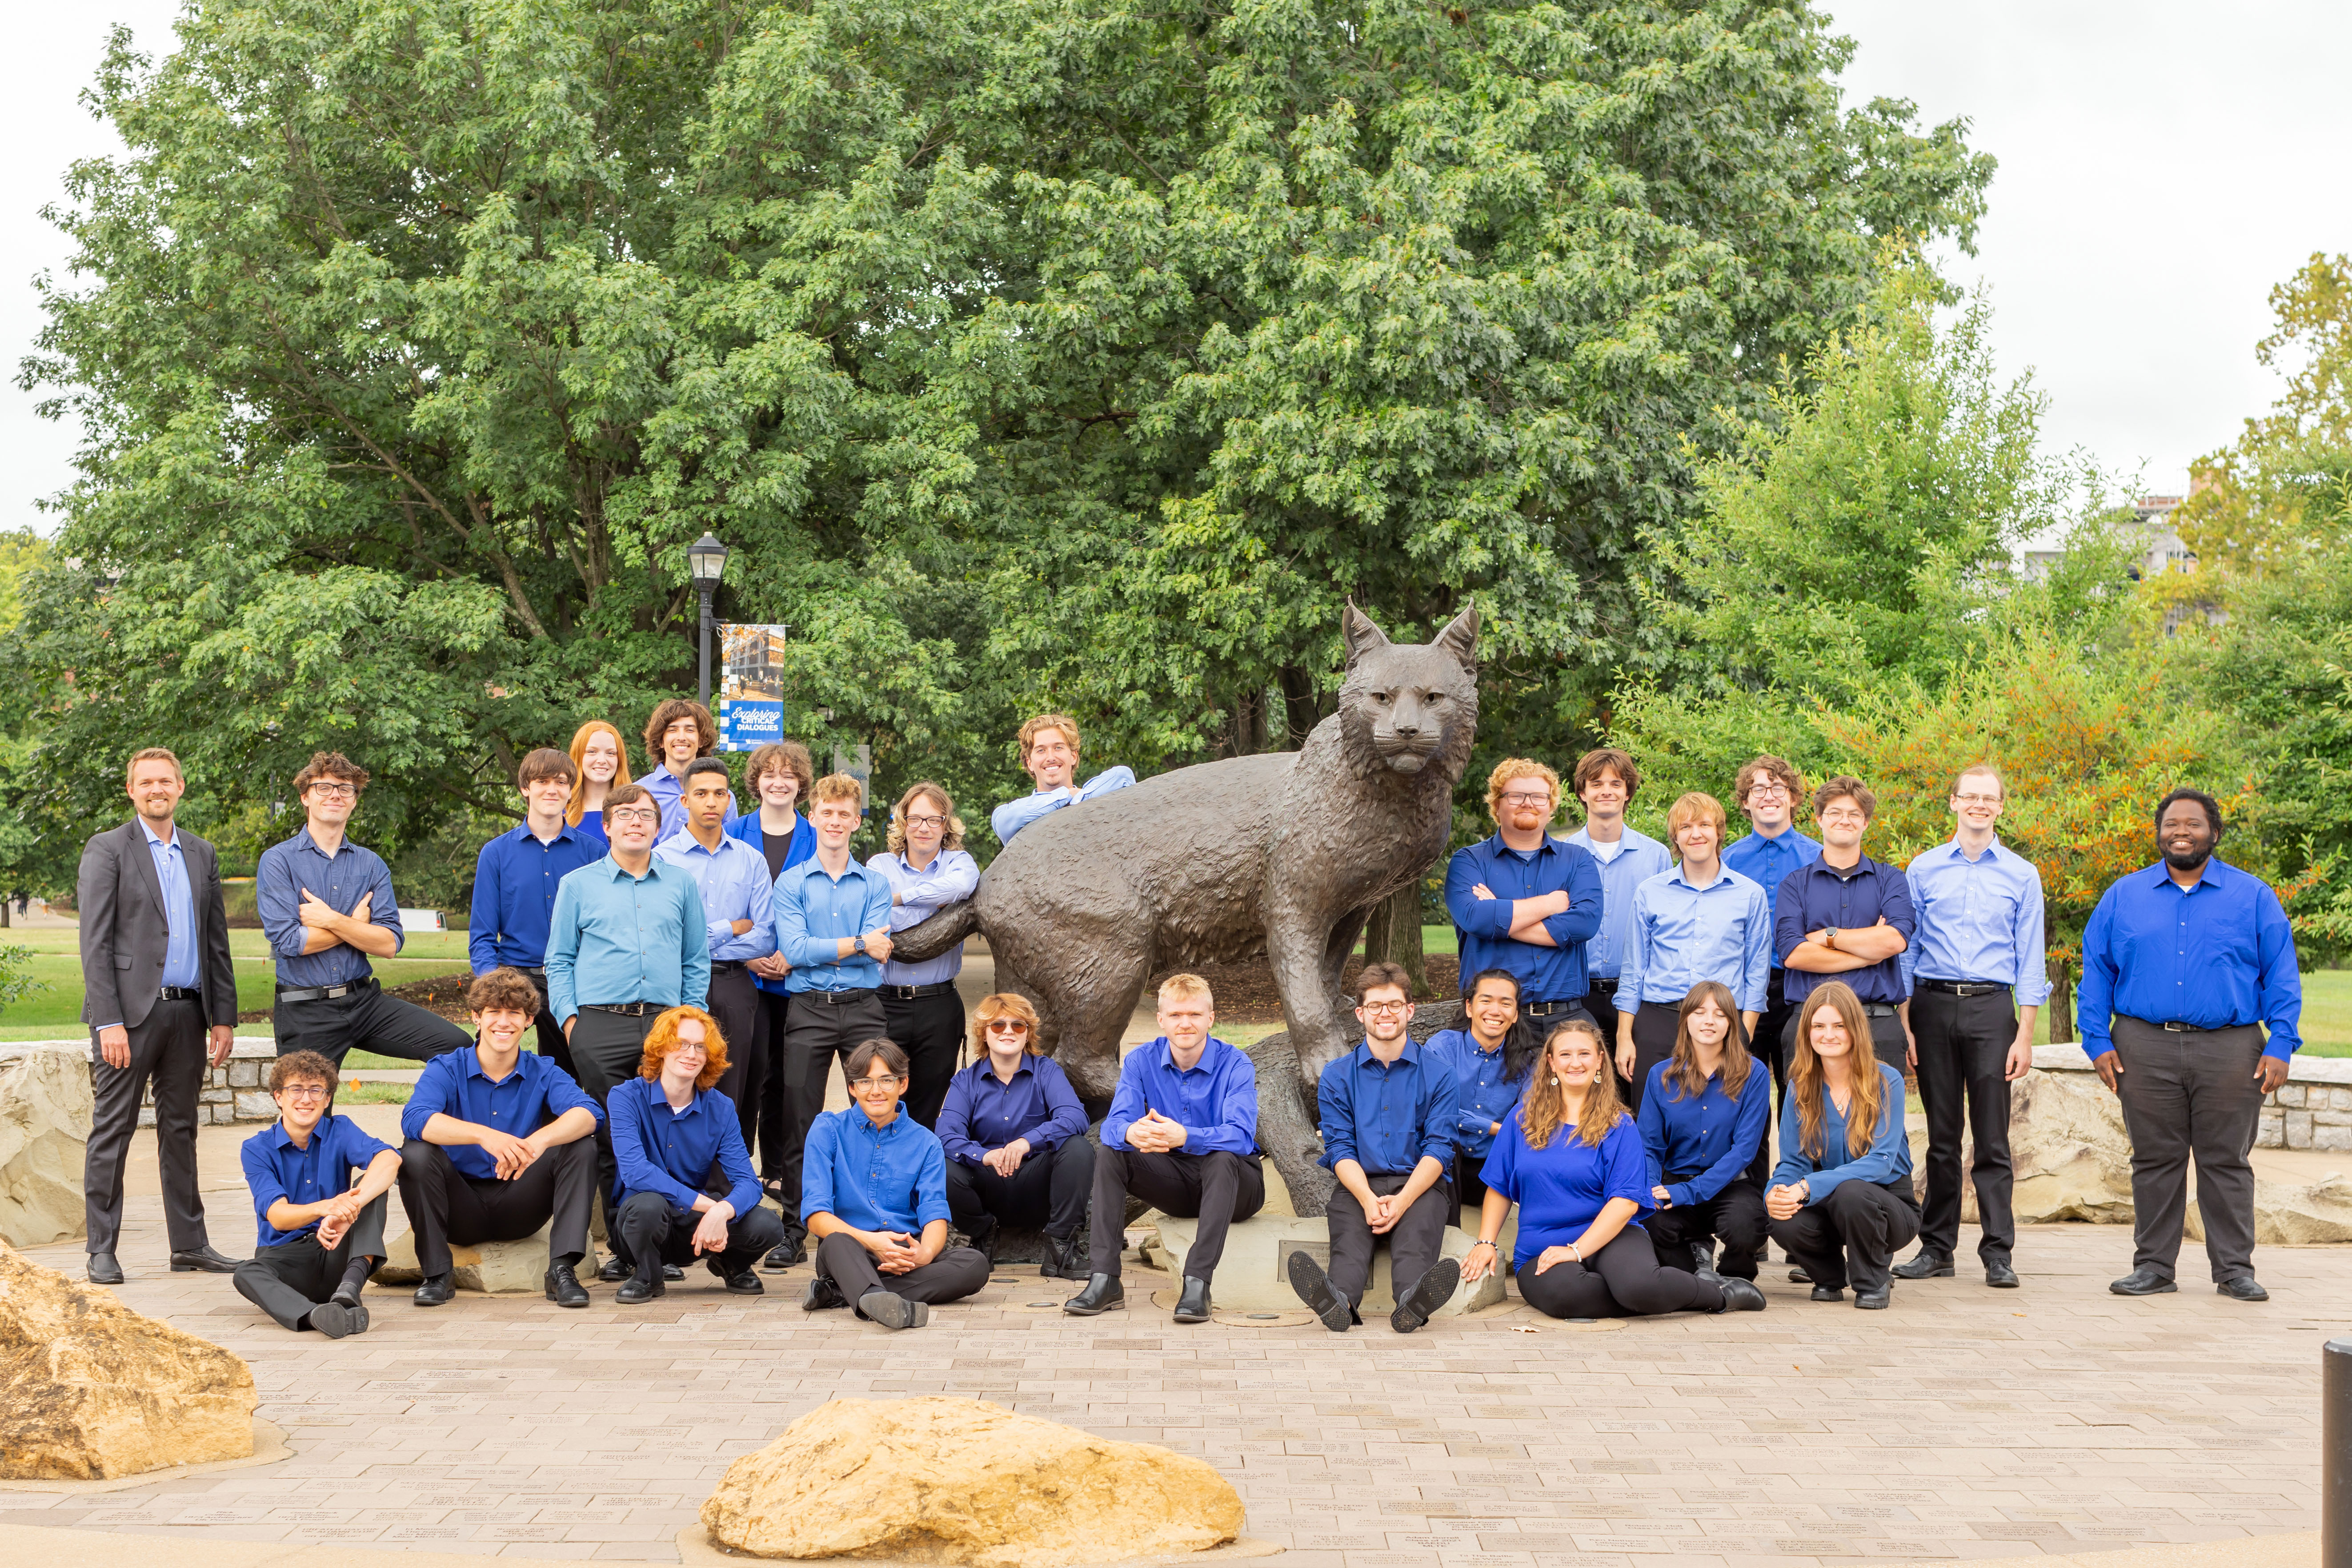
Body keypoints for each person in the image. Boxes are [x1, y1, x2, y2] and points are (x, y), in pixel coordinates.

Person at [2080, 788, 2300, 1303]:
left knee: (2225, 1160)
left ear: (2214, 833)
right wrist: (2095, 1040)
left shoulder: (2251, 896)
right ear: (2158, 833)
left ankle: (2232, 1270)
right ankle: (2153, 1266)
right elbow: (2095, 971)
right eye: (2171, 823)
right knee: (2154, 1159)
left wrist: (2281, 1043)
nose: (2181, 831)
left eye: (2193, 824)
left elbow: (2280, 975)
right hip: (2142, 1045)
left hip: (2231, 1049)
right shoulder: (2123, 896)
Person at [1462, 1017, 1763, 1318]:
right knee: (1569, 1297)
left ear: (1599, 1061)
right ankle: (1652, 1293)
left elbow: (1624, 1203)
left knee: (1638, 1286)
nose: (1575, 1063)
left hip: (1613, 1235)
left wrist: (1576, 1250)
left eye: (1584, 1054)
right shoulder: (1521, 1119)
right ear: (1551, 1063)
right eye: (1565, 1054)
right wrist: (1486, 1242)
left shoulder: (1619, 1124)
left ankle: (1718, 1294)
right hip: (1543, 1244)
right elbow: (1499, 1186)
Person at [78, 746, 241, 1285]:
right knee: (113, 1129)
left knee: (182, 1129)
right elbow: (95, 944)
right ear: (132, 790)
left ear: (180, 787)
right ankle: (101, 1248)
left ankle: (189, 1244)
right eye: (146, 782)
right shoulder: (108, 850)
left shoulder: (201, 852)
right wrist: (108, 1021)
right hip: (129, 1019)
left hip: (188, 1014)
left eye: (165, 781)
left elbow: (216, 942)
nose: (156, 789)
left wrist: (223, 1016)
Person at [544, 778, 711, 1276]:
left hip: (666, 1026)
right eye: (626, 815)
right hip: (599, 1025)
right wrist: (573, 1023)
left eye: (645, 815)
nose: (636, 822)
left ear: (659, 827)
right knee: (613, 1136)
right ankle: (624, 1248)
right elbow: (559, 960)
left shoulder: (680, 883)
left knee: (667, 1131)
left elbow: (695, 959)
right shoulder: (578, 884)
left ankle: (660, 1242)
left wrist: (692, 1022)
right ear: (607, 825)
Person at [1892, 765, 2047, 1291]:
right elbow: (1907, 952)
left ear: (2000, 807)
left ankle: (1997, 1252)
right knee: (1940, 1137)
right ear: (1953, 802)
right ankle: (1936, 1247)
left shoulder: (2021, 874)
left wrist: (2024, 1033)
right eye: (1969, 796)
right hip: (1932, 1006)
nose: (1979, 805)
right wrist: (1906, 1024)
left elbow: (2030, 957)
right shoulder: (1923, 868)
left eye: (1989, 798)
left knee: (1991, 1138)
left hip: (1990, 1009)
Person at [396, 967, 602, 1309]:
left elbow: (590, 1113)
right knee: (415, 1151)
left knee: (580, 1144)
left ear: (529, 1020)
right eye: (494, 1012)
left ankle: (562, 1269)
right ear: (476, 1017)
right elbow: (415, 1118)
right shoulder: (446, 1067)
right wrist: (484, 1136)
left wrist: (538, 1142)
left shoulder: (545, 1070)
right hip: (459, 1206)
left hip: (521, 1203)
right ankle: (437, 1273)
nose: (503, 1022)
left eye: (514, 1013)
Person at [1065, 974, 1263, 1324]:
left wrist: (1184, 1136)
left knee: (1221, 1157)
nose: (1185, 1023)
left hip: (1237, 1185)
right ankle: (1105, 1279)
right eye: (1175, 1015)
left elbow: (1241, 1136)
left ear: (1210, 1018)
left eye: (1194, 1015)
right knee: (1114, 1152)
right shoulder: (1142, 1061)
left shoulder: (1236, 1063)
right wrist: (1132, 1131)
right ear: (1161, 1019)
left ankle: (1197, 1283)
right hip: (1177, 1180)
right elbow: (1111, 1126)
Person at [256, 752, 474, 1065]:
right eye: (324, 787)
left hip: (365, 1003)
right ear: (305, 796)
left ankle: (425, 1114)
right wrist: (357, 927)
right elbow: (290, 942)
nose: (335, 795)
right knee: (309, 1109)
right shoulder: (279, 861)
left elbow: (388, 944)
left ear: (355, 800)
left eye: (346, 789)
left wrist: (331, 920)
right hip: (305, 1009)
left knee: (456, 1046)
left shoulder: (371, 865)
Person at [1286, 963, 1466, 1334]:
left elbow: (1439, 1147)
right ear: (1360, 1013)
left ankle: (1411, 1303)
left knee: (1414, 1245)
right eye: (1376, 1006)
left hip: (1420, 1184)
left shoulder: (1440, 1074)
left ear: (1410, 1010)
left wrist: (1400, 1202)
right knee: (1349, 1246)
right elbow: (1340, 1147)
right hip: (1358, 1183)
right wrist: (1369, 1200)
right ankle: (1338, 1301)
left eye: (1394, 1004)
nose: (1385, 1013)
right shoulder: (1337, 1075)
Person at [770, 772, 896, 1264]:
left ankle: (870, 1224)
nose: (836, 821)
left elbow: (878, 956)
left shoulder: (876, 883)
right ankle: (793, 1229)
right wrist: (860, 943)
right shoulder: (792, 882)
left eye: (845, 813)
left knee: (876, 1111)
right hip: (808, 1009)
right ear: (812, 817)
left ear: (857, 821)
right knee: (798, 1120)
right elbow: (795, 951)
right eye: (827, 812)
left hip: (864, 1007)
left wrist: (842, 950)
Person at [801, 1037, 992, 1329]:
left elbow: (934, 1214)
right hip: (849, 1250)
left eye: (886, 1080)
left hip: (903, 1257)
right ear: (852, 1088)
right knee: (836, 1242)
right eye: (865, 1082)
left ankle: (847, 1293)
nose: (875, 1090)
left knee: (974, 1264)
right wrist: (872, 1241)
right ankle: (873, 1295)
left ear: (902, 1084)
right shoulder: (827, 1129)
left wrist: (923, 1254)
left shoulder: (926, 1142)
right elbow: (816, 1218)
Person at [605, 1005, 784, 1303]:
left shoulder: (720, 1107)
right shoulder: (625, 1096)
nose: (691, 1053)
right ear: (661, 1048)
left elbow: (749, 1183)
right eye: (681, 1043)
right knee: (647, 1206)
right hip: (639, 1225)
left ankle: (731, 1264)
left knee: (768, 1225)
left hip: (695, 1228)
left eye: (700, 1047)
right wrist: (707, 1206)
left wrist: (722, 1211)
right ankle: (648, 1275)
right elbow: (635, 1171)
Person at [1765, 981, 1919, 1309]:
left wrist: (1806, 1186)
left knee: (1852, 1192)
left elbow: (1880, 1162)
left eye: (1839, 1025)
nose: (1828, 1034)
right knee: (1780, 1213)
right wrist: (1777, 1191)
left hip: (1888, 1205)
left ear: (1855, 1029)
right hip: (1828, 1203)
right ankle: (1830, 1276)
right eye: (1818, 1026)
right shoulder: (1798, 1087)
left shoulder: (1885, 1079)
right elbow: (1792, 1162)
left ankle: (1873, 1280)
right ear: (1806, 1032)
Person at [1615, 792, 1770, 1112]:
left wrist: (1743, 1036)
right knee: (1651, 1124)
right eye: (1685, 827)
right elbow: (1633, 970)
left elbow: (1756, 974)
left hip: (1722, 1024)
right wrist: (1624, 1036)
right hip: (1659, 1021)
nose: (1695, 833)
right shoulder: (1649, 892)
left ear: (1718, 832)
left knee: (1715, 1123)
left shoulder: (1749, 895)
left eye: (1704, 824)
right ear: (1675, 837)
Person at [233, 1051, 400, 1338]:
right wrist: (326, 1208)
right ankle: (317, 1315)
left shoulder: (341, 1130)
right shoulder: (256, 1149)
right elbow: (278, 1217)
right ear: (279, 1097)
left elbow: (390, 1159)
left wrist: (349, 1207)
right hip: (286, 1259)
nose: (306, 1099)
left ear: (328, 1099)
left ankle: (349, 1291)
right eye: (296, 1090)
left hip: (337, 1251)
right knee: (246, 1273)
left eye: (316, 1090)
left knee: (370, 1186)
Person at [656, 756, 777, 1145]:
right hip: (675, 985)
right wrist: (731, 927)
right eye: (701, 793)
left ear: (730, 801)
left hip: (733, 982)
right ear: (684, 800)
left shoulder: (750, 860)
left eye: (719, 793)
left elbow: (765, 936)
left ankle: (730, 1180)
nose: (711, 801)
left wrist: (701, 938)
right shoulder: (661, 859)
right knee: (675, 1078)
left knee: (734, 1082)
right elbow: (665, 938)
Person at [725, 739, 818, 1229]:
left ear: (800, 784)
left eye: (789, 774)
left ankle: (783, 1176)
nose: (779, 781)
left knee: (789, 1080)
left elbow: (817, 902)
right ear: (756, 780)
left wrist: (790, 953)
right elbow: (726, 905)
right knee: (744, 1079)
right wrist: (755, 953)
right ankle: (738, 1177)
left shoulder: (814, 835)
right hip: (745, 979)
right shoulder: (732, 831)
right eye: (769, 773)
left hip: (797, 979)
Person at [936, 993, 1094, 1277]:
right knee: (942, 1165)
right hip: (987, 1188)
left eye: (1018, 1026)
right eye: (998, 1025)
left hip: (1038, 1186)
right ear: (984, 1033)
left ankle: (1060, 1248)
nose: (1008, 1031)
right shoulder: (965, 1081)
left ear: (1028, 1033)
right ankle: (983, 1234)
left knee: (1077, 1148)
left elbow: (1075, 1116)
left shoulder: (1046, 1071)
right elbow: (946, 1134)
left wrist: (1027, 1141)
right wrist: (984, 1155)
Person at [468, 748, 604, 1076]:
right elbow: (483, 935)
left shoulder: (594, 852)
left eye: (560, 781)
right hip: (518, 974)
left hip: (575, 975)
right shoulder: (496, 853)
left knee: (578, 1067)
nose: (552, 789)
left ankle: (578, 1125)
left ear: (571, 790)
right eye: (541, 781)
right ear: (525, 788)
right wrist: (494, 988)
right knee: (488, 1061)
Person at [1442, 758, 1604, 1031]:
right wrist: (1551, 904)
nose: (1528, 803)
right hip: (1492, 1023)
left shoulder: (1578, 860)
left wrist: (1499, 913)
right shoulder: (1468, 861)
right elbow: (1475, 918)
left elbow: (1584, 923)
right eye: (1516, 796)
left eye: (1539, 797)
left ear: (1550, 806)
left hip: (1567, 1023)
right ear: (1497, 804)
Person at [1772, 775, 1913, 1075]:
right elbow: (1794, 954)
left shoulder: (1891, 880)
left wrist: (1828, 937)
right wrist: (1870, 953)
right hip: (1810, 1026)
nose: (1844, 820)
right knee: (1810, 1121)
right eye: (1835, 813)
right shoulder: (1794, 885)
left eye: (1854, 814)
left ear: (1865, 823)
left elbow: (1894, 941)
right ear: (1820, 819)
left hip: (1877, 1024)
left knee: (1881, 1121)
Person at [1636, 981, 1771, 1283]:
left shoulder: (1754, 1073)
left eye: (1720, 1014)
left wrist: (1690, 1191)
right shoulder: (1660, 1074)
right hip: (1676, 1181)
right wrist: (1650, 1188)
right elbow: (1649, 1146)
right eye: (1699, 1012)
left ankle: (1736, 1276)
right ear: (1685, 1019)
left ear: (1731, 1024)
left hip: (1732, 1186)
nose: (1709, 1020)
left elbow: (1744, 1150)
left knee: (1746, 1225)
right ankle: (1690, 1276)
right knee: (1647, 1217)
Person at [869, 782, 978, 1127]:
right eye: (915, 818)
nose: (923, 828)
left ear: (946, 825)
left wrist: (900, 898)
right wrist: (937, 905)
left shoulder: (959, 862)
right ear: (902, 822)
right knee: (880, 1097)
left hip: (939, 1006)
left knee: (929, 1103)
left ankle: (918, 1176)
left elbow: (961, 886)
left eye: (934, 819)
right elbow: (874, 917)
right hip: (885, 1004)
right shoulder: (878, 865)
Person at [1723, 756, 1821, 1110]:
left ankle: (1797, 1168)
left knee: (1800, 1096)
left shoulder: (1819, 858)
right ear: (1745, 801)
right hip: (1738, 991)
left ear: (1793, 797)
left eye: (1777, 788)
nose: (1768, 796)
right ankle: (1748, 1169)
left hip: (1800, 989)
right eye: (1758, 789)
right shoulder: (1725, 860)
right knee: (1739, 1097)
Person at [1563, 748, 1672, 1053]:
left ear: (1627, 792)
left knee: (1633, 1088)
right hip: (1577, 994)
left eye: (1615, 783)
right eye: (1596, 784)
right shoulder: (1562, 855)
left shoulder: (1656, 856)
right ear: (1582, 793)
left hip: (1638, 994)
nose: (1606, 791)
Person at [1425, 968, 1540, 1226]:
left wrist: (1505, 1134)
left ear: (1515, 1015)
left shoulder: (1529, 1060)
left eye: (1506, 1003)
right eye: (1486, 1001)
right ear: (1469, 1007)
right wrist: (1496, 1128)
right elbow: (1438, 1112)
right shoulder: (1441, 1048)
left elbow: (1528, 1117)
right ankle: (1449, 1237)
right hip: (1442, 1164)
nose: (1495, 1011)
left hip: (1492, 1168)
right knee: (1442, 1137)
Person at [990, 712, 1136, 844]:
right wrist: (1066, 795)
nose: (1051, 757)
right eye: (1041, 750)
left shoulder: (1094, 795)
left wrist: (1076, 796)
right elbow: (1002, 822)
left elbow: (1123, 776)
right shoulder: (1014, 813)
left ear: (1073, 757)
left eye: (1058, 748)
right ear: (1030, 764)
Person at [641, 698, 737, 839]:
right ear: (661, 741)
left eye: (690, 730)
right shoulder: (641, 792)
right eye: (673, 730)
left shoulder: (722, 796)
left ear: (702, 740)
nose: (681, 737)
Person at [565, 719, 634, 847]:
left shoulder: (638, 812)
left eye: (611, 753)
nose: (602, 760)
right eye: (592, 752)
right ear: (579, 756)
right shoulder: (560, 812)